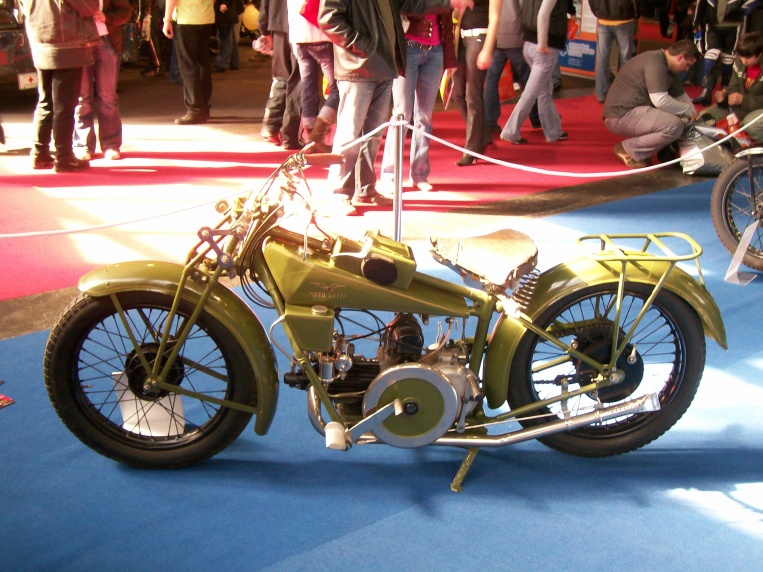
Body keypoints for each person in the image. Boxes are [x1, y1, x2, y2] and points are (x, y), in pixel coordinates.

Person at [319, 0, 474, 213]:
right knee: (350, 134)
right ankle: (340, 192)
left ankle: (365, 189)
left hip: (383, 65)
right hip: (358, 67)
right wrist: (362, 45)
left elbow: (411, 4)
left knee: (373, 135)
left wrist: (447, 2)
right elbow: (328, 19)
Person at [379, 8, 456, 190]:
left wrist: (450, 60)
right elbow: (406, 9)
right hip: (407, 48)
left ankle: (420, 173)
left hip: (435, 51)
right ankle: (390, 174)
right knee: (401, 114)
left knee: (425, 117)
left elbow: (447, 21)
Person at [20, 0, 100, 172]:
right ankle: (64, 157)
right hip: (67, 45)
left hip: (40, 43)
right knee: (64, 106)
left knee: (45, 102)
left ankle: (39, 153)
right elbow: (88, 6)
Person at [602, 39, 700, 169]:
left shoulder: (667, 67)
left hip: (627, 112)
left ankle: (639, 150)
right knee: (674, 125)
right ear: (680, 57)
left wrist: (693, 115)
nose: (687, 69)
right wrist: (686, 111)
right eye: (687, 65)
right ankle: (628, 149)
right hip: (619, 115)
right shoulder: (655, 63)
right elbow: (660, 100)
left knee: (677, 117)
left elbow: (681, 97)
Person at [499, 0, 569, 145]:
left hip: (529, 45)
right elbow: (543, 14)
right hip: (544, 47)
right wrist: (542, 43)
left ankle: (553, 131)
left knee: (543, 90)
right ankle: (510, 130)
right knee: (531, 94)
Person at [74, 0, 133, 162]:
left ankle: (111, 144)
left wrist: (107, 17)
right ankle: (83, 144)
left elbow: (126, 12)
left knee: (108, 96)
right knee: (82, 97)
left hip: (106, 41)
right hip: (79, 43)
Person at [287, 0, 338, 152]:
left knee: (308, 87)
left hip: (298, 35)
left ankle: (310, 136)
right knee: (338, 88)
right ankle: (317, 133)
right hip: (319, 35)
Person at [483, 0, 540, 133]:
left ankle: (490, 121)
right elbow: (526, 8)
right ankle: (536, 117)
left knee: (491, 81)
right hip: (516, 36)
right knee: (528, 80)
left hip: (495, 37)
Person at [700, 31, 763, 142]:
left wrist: (743, 100)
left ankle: (756, 148)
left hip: (758, 109)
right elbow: (733, 87)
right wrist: (725, 96)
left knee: (750, 126)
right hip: (739, 108)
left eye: (748, 57)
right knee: (704, 117)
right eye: (741, 56)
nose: (743, 60)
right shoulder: (739, 62)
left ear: (760, 54)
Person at [163, 0, 215, 125]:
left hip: (186, 18)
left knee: (187, 65)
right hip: (206, 17)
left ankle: (195, 109)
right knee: (203, 63)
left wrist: (167, 20)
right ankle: (203, 106)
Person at [259, 0, 302, 148]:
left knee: (282, 75)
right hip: (302, 21)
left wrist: (264, 28)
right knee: (299, 78)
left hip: (278, 20)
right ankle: (291, 133)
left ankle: (271, 124)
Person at [691, 0, 745, 105]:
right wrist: (696, 23)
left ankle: (725, 94)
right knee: (710, 56)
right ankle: (706, 92)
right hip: (712, 25)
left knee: (728, 60)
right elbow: (701, 4)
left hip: (734, 26)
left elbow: (748, 7)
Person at [588, 0, 640, 104]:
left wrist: (597, 11)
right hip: (624, 19)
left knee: (602, 59)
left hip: (603, 19)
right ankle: (622, 93)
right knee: (625, 59)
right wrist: (636, 14)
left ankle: (601, 94)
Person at [213, 0, 241, 72]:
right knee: (230, 37)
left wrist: (224, 3)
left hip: (224, 11)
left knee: (225, 38)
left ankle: (222, 64)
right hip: (228, 11)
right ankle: (233, 62)